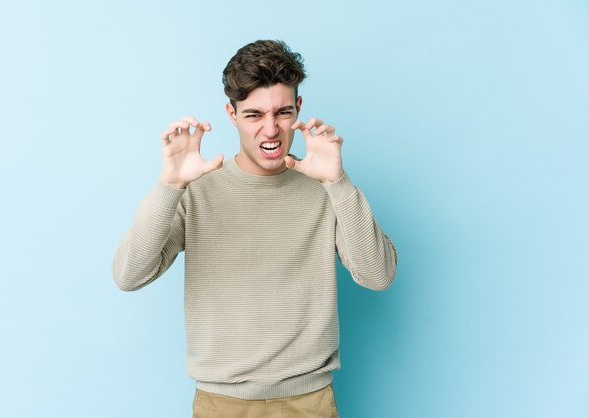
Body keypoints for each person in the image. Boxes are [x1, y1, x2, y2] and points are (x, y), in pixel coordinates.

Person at [112, 39, 397, 418]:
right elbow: (128, 276)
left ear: (298, 109)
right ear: (232, 115)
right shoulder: (196, 190)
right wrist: (169, 187)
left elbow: (378, 275)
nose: (270, 130)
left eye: (281, 113)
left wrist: (338, 182)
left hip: (308, 401)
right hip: (221, 402)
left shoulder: (325, 187)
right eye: (254, 115)